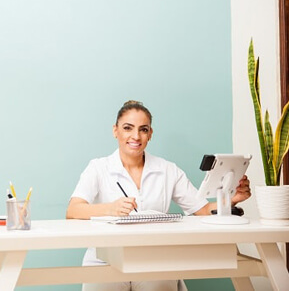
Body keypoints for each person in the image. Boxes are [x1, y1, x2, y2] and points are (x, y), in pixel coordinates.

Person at [66, 100, 251, 291]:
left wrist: (231, 198)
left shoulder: (167, 170)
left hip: (154, 259)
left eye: (143, 129)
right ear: (115, 131)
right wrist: (110, 209)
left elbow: (202, 209)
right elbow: (73, 210)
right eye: (128, 128)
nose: (135, 136)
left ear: (150, 134)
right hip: (104, 259)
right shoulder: (98, 167)